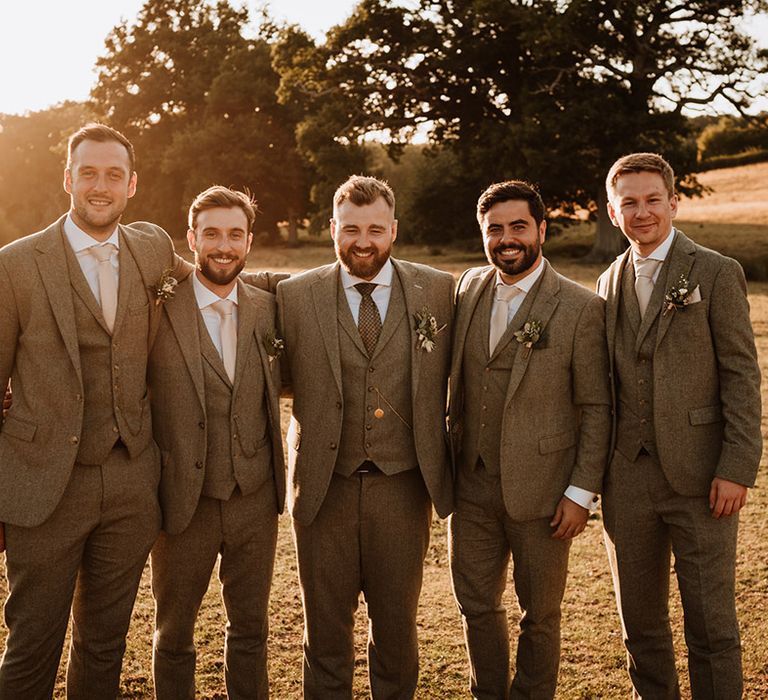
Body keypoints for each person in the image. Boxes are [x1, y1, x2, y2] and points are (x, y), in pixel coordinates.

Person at [0, 123, 188, 698]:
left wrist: (315, 293)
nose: (100, 185)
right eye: (88, 173)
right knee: (31, 647)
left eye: (113, 174)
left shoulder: (152, 247)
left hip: (133, 480)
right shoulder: (16, 264)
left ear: (132, 184)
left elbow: (212, 286)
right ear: (68, 180)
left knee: (104, 646)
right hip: (42, 487)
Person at [276, 175, 454, 699]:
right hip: (322, 486)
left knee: (396, 633)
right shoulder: (294, 294)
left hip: (403, 488)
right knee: (324, 635)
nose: (363, 241)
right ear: (332, 229)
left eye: (376, 229)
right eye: (351, 229)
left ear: (394, 229)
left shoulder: (438, 290)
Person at [597, 152, 762, 698]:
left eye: (651, 200)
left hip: (703, 478)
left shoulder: (715, 272)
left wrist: (736, 467)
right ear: (613, 212)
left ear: (673, 202)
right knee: (640, 627)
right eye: (629, 203)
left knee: (711, 625)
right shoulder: (606, 283)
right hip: (626, 480)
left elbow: (741, 376)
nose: (642, 212)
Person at [448, 180, 612, 699]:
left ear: (541, 229)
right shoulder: (468, 288)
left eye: (518, 226)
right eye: (494, 229)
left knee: (539, 614)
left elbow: (596, 407)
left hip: (545, 493)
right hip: (470, 487)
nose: (506, 238)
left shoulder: (580, 307)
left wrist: (580, 493)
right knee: (475, 605)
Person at [148, 186, 285, 698]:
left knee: (251, 631)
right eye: (211, 234)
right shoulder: (158, 307)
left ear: (249, 241)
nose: (223, 246)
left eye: (234, 234)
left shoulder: (269, 308)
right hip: (183, 498)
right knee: (174, 633)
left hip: (254, 496)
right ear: (191, 238)